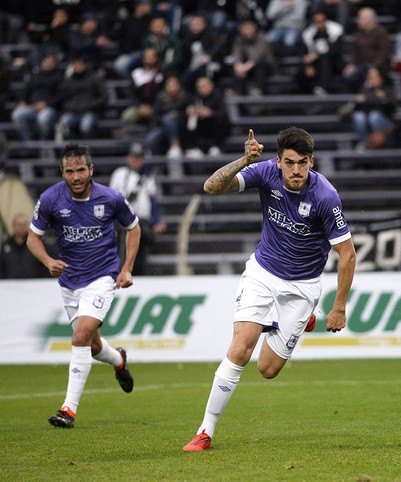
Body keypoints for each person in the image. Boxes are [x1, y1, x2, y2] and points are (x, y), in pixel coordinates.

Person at [182, 127, 356, 451]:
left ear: (311, 162)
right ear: (278, 162)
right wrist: (243, 161)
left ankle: (305, 318)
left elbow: (347, 255)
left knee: (267, 369)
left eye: (302, 163)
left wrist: (339, 306)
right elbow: (211, 187)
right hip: (263, 273)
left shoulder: (325, 197)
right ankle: (205, 431)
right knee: (241, 347)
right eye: (289, 163)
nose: (296, 171)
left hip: (303, 287)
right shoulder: (265, 173)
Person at [27, 143, 141, 429]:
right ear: (62, 172)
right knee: (91, 345)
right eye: (69, 171)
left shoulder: (111, 198)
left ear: (91, 170)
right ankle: (119, 361)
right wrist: (47, 261)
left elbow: (134, 227)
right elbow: (32, 237)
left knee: (80, 338)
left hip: (102, 277)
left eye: (80, 170)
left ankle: (69, 410)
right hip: (69, 282)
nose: (75, 176)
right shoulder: (51, 199)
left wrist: (126, 268)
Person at [109, 142, 167, 276]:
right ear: (128, 158)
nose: (136, 161)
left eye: (139, 158)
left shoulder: (147, 177)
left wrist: (157, 221)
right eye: (134, 157)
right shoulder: (119, 174)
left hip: (142, 222)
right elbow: (111, 199)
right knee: (123, 254)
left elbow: (153, 202)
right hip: (123, 222)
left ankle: (138, 279)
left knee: (140, 257)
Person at [11, 53, 62, 141]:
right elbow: (25, 90)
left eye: (50, 62)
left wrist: (46, 104)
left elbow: (61, 97)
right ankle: (28, 143)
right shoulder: (35, 76)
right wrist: (22, 101)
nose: (46, 63)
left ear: (54, 64)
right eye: (45, 61)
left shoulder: (59, 77)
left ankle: (42, 144)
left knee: (43, 118)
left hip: (50, 108)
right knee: (17, 115)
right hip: (32, 107)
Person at [296, 8, 345, 96]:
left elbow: (336, 51)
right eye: (317, 22)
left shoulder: (336, 31)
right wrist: (307, 66)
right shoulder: (308, 34)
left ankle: (322, 88)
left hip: (334, 63)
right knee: (300, 72)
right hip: (315, 64)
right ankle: (302, 98)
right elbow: (304, 54)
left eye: (322, 21)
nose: (320, 24)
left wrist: (317, 55)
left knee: (325, 61)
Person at [342, 7, 392, 93]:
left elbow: (384, 51)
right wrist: (351, 64)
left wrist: (375, 66)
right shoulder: (358, 34)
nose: (358, 21)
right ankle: (353, 99)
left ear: (369, 20)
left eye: (361, 18)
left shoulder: (381, 32)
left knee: (366, 73)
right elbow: (354, 52)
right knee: (349, 75)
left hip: (379, 65)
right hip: (362, 65)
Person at [58, 56, 108, 140]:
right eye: (75, 65)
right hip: (74, 112)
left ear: (85, 65)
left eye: (79, 64)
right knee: (63, 123)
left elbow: (104, 97)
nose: (78, 67)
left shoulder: (94, 78)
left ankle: (88, 147)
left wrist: (90, 105)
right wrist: (70, 107)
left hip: (90, 112)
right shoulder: (69, 81)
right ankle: (71, 146)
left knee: (86, 126)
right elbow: (64, 98)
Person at [352, 65, 396, 151]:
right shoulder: (365, 89)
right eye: (370, 77)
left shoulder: (387, 89)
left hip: (384, 122)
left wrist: (383, 100)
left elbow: (392, 109)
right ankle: (363, 143)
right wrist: (359, 102)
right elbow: (358, 107)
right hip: (367, 121)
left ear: (381, 77)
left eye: (374, 76)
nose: (372, 79)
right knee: (359, 117)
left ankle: (379, 142)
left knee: (374, 116)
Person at [183, 76, 229, 158]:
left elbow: (224, 114)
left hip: (214, 128)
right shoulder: (194, 98)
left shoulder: (218, 97)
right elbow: (183, 110)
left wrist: (211, 113)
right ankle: (194, 147)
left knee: (220, 120)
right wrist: (189, 111)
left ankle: (216, 147)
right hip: (199, 128)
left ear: (211, 85)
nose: (201, 89)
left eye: (204, 86)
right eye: (199, 87)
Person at [0, 213, 52, 279]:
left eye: (24, 224)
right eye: (19, 224)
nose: (21, 227)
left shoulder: (36, 245)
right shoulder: (6, 246)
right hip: (10, 285)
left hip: (35, 284)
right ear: (13, 226)